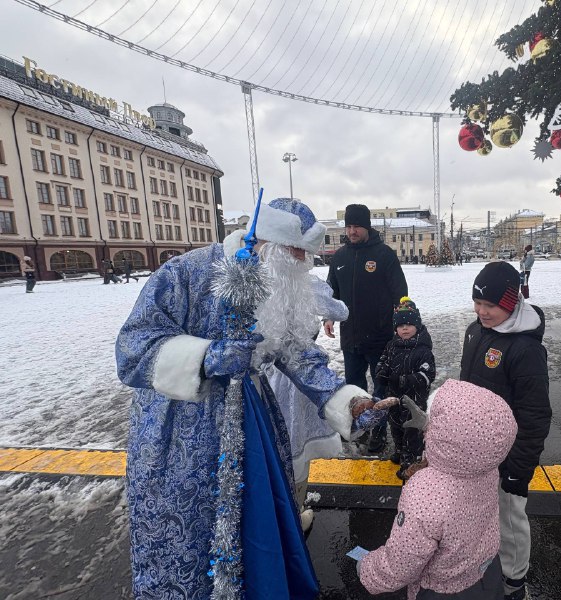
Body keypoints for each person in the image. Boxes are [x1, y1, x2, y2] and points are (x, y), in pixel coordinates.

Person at [116, 197, 373, 599]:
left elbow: (294, 351)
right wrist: (207, 357)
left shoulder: (282, 285)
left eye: (308, 254)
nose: (305, 263)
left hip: (252, 421)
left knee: (257, 525)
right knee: (189, 534)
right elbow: (132, 350)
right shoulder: (187, 272)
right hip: (180, 432)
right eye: (297, 252)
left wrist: (345, 400)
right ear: (267, 242)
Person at [358, 379, 516, 599]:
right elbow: (467, 444)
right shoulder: (486, 468)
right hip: (485, 572)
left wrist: (369, 570)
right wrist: (428, 425)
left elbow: (403, 563)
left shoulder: (426, 494)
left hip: (441, 589)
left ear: (445, 433)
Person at [460, 261, 552, 600]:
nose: (482, 311)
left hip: (508, 458)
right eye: (478, 303)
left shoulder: (525, 350)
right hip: (475, 452)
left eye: (491, 305)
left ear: (511, 304)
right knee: (478, 511)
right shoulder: (475, 332)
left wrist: (518, 469)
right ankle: (483, 562)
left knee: (509, 519)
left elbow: (535, 415)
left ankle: (514, 582)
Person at [267, 274, 350, 532]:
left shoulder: (253, 278)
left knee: (275, 448)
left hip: (270, 378)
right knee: (295, 448)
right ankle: (293, 516)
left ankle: (282, 516)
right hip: (299, 378)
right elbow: (340, 310)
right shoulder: (301, 282)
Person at [324, 203, 408, 453]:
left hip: (380, 337)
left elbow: (400, 293)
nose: (351, 231)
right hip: (350, 339)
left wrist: (400, 321)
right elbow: (331, 294)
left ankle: (379, 432)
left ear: (366, 227)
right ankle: (359, 430)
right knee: (354, 388)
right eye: (348, 226)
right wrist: (328, 317)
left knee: (381, 388)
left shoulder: (384, 255)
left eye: (356, 226)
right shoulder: (339, 257)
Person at [375, 296, 436, 480]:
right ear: (396, 329)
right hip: (394, 399)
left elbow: (427, 375)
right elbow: (381, 363)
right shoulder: (391, 346)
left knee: (412, 432)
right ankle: (400, 450)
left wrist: (404, 380)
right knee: (396, 427)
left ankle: (410, 461)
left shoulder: (423, 350)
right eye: (401, 326)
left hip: (414, 402)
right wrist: (382, 373)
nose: (405, 328)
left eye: (409, 324)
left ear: (417, 326)